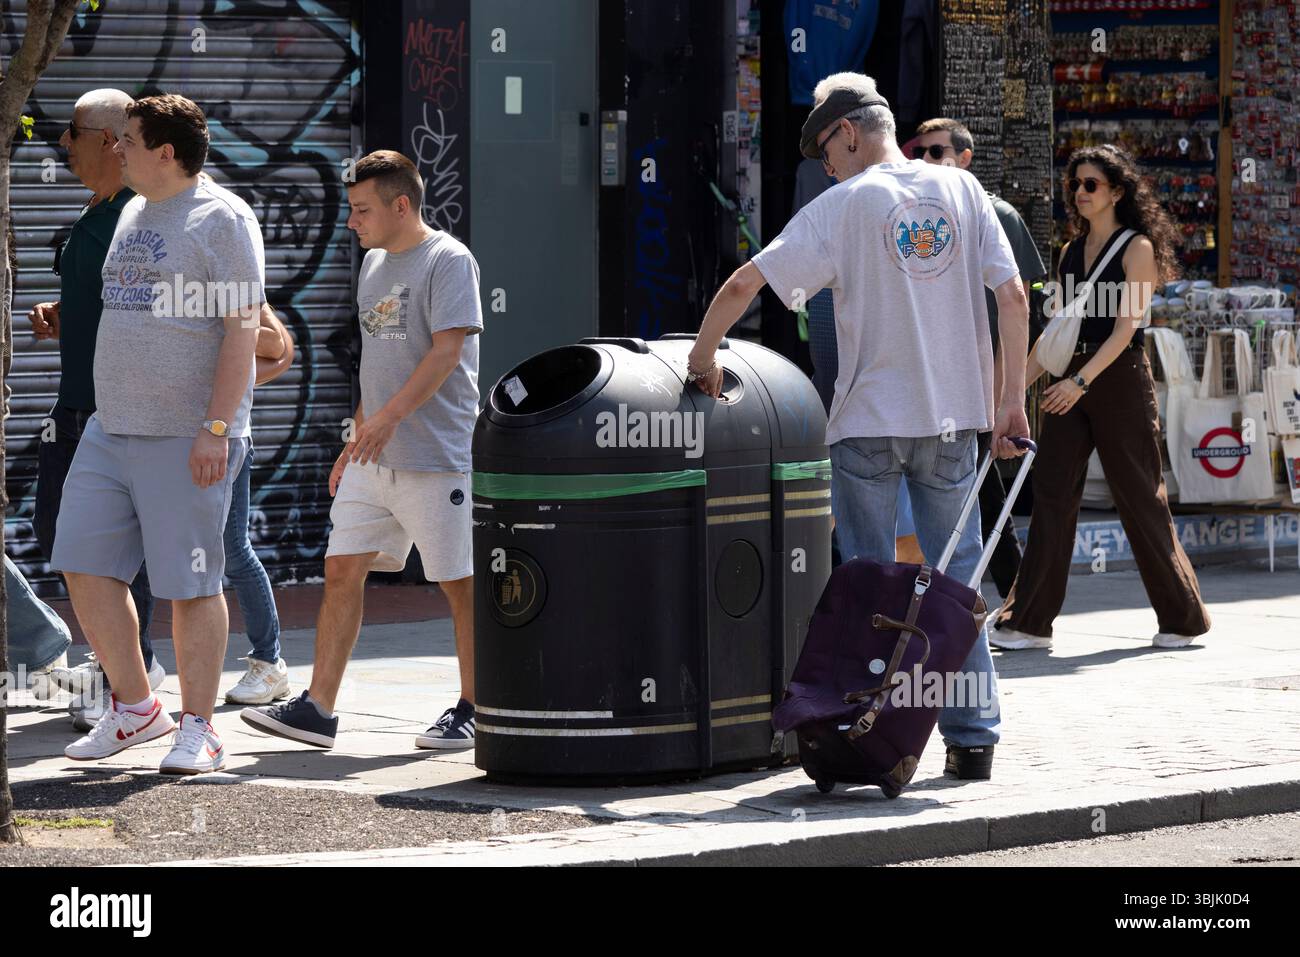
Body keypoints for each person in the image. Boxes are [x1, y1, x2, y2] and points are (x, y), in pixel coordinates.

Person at [689, 73, 1031, 781]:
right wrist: (1010, 403)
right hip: (950, 424)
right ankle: (973, 739)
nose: (827, 167)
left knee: (870, 592)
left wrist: (702, 354)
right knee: (955, 587)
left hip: (867, 425)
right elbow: (1014, 295)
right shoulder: (962, 190)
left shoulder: (839, 207)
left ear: (849, 133)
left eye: (825, 152)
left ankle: (867, 735)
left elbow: (743, 284)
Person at [241, 150, 481, 751]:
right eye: (351, 210)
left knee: (458, 583)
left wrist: (388, 422)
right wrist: (355, 439)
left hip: (436, 455)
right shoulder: (373, 264)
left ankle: (478, 707)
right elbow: (379, 365)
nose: (351, 221)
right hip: (374, 453)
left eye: (362, 209)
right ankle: (318, 710)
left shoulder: (448, 260)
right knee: (341, 567)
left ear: (402, 205)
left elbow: (445, 353)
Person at [54, 93, 265, 774]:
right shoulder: (134, 213)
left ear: (165, 152)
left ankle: (200, 727)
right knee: (83, 563)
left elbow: (243, 333)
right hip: (111, 429)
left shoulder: (222, 219)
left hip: (187, 435)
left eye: (130, 140)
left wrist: (215, 428)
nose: (117, 149)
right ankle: (139, 708)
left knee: (192, 582)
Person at [991, 144, 1211, 651]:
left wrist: (1079, 382)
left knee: (1139, 495)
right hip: (1070, 374)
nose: (1081, 193)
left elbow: (1126, 329)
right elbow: (1055, 334)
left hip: (1115, 377)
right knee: (1051, 492)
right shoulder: (1070, 251)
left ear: (1116, 190)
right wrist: (1008, 397)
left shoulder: (1138, 249)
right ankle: (1028, 622)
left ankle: (1183, 619)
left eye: (1092, 184)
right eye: (1076, 184)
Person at [27, 90, 165, 720]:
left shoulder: (138, 219)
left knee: (105, 546)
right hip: (76, 404)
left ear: (111, 140)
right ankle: (125, 662)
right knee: (58, 532)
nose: (62, 143)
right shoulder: (99, 210)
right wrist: (66, 313)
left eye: (73, 132)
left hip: (111, 410)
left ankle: (127, 675)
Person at [912, 117, 1046, 600]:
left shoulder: (997, 214)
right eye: (919, 151)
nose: (925, 159)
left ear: (965, 157)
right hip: (941, 383)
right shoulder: (920, 216)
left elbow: (1021, 304)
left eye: (936, 150)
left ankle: (1015, 600)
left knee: (983, 496)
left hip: (983, 382)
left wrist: (1005, 388)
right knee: (973, 498)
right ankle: (1012, 601)